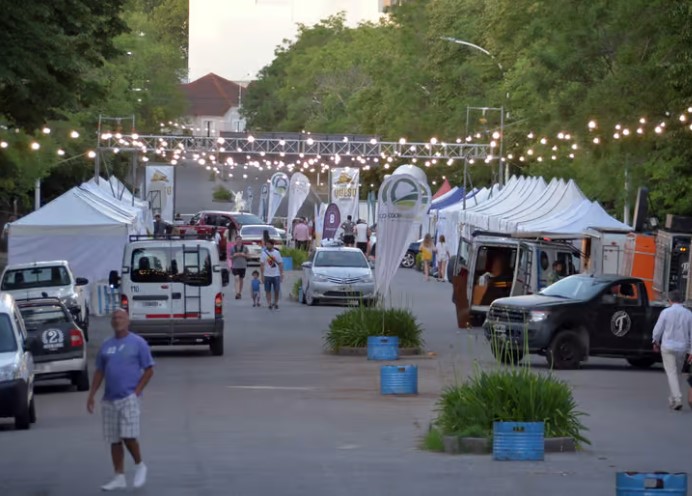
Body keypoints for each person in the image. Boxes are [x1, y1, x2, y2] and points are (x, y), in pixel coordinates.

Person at [86, 308, 155, 491]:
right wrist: (92, 394)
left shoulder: (138, 343)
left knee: (128, 435)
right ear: (111, 322)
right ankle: (119, 476)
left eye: (121, 317)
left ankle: (140, 465)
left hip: (129, 397)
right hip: (109, 398)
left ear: (128, 320)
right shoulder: (106, 345)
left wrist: (137, 391)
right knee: (114, 439)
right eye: (115, 318)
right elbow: (100, 371)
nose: (118, 321)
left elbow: (149, 369)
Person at [652, 290, 692, 411]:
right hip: (682, 348)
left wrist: (655, 341)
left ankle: (677, 398)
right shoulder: (688, 314)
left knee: (671, 373)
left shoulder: (665, 312)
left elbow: (658, 329)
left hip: (668, 347)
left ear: (670, 300)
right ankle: (673, 399)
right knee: (677, 373)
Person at [260, 239, 284, 310]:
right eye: (266, 244)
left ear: (272, 245)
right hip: (267, 274)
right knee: (268, 290)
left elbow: (280, 263)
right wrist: (262, 275)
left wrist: (281, 273)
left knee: (276, 290)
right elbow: (262, 264)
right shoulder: (264, 253)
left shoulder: (277, 253)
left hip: (276, 274)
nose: (267, 246)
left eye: (269, 244)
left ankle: (276, 302)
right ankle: (269, 303)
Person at [230, 235, 249, 299]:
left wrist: (244, 255)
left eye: (240, 239)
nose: (239, 241)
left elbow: (248, 256)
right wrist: (234, 255)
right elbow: (230, 257)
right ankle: (237, 292)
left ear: (241, 240)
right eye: (237, 240)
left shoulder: (245, 248)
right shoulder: (232, 248)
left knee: (241, 279)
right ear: (235, 241)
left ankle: (240, 292)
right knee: (236, 278)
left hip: (242, 265)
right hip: (235, 266)